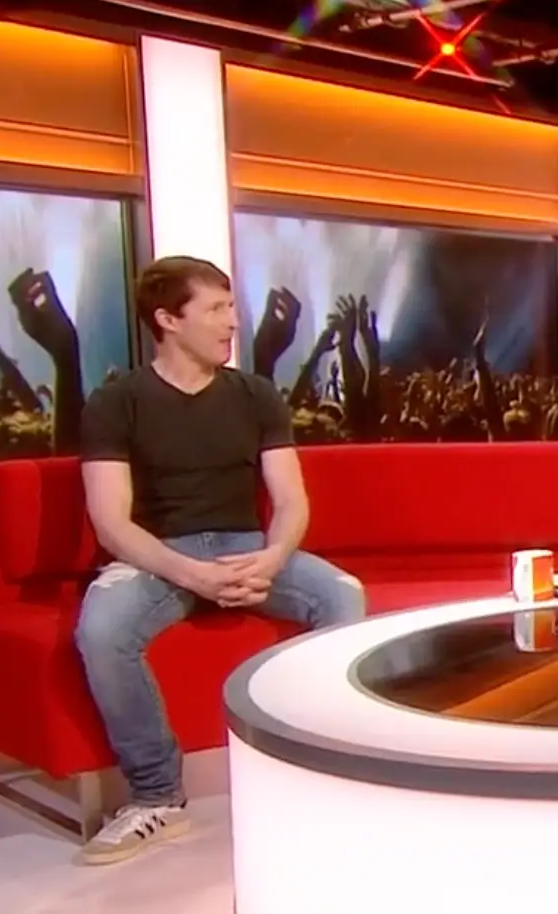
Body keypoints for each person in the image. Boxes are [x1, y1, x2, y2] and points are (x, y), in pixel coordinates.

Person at [73, 256, 366, 865]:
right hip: (159, 557)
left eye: (231, 307)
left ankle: (325, 766)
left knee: (344, 595)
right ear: (167, 320)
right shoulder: (116, 401)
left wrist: (272, 558)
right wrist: (190, 574)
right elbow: (111, 523)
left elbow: (291, 500)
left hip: (247, 547)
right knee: (101, 631)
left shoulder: (256, 395)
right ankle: (156, 796)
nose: (233, 322)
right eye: (216, 309)